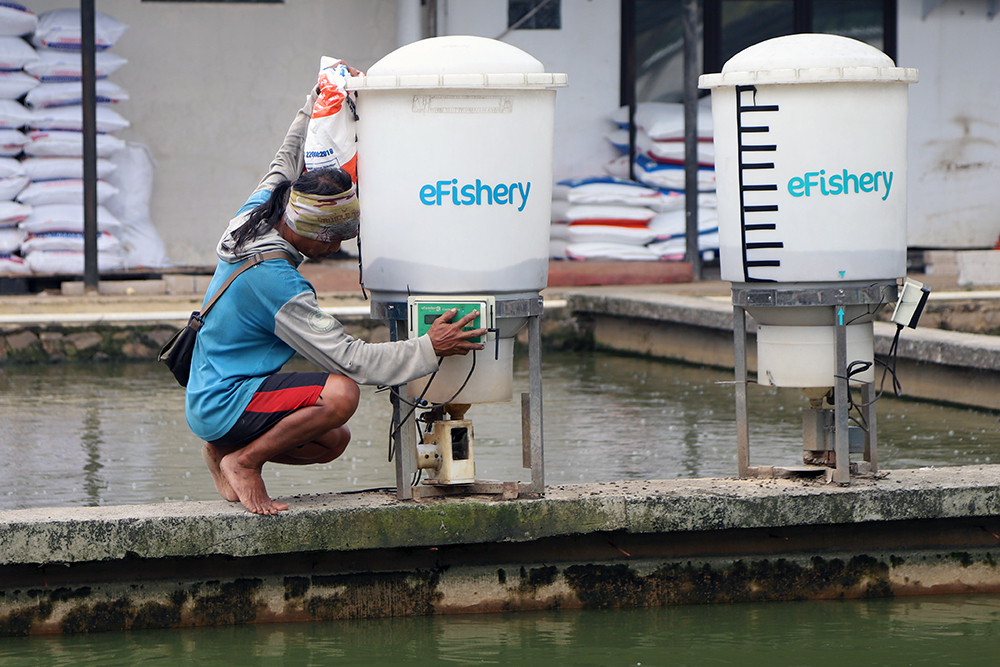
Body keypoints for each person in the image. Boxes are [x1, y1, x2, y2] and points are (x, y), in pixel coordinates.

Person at [186, 74, 484, 515]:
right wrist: (428, 347)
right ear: (310, 233)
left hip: (213, 391)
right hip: (225, 397)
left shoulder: (256, 215)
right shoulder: (276, 282)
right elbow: (352, 360)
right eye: (333, 241)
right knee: (341, 395)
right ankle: (244, 461)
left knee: (332, 442)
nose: (335, 250)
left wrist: (317, 99)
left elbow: (284, 159)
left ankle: (222, 449)